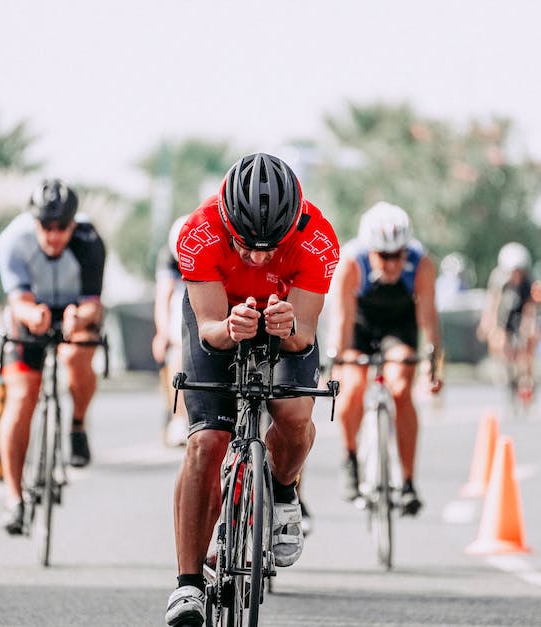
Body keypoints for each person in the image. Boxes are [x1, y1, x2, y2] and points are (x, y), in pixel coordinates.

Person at [164, 153, 339, 627]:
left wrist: (288, 327)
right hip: (223, 320)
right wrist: (229, 325)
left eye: (272, 247)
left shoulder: (318, 239)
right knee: (205, 443)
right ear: (226, 221)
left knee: (294, 414)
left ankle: (284, 493)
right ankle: (188, 586)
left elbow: (303, 334)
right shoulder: (198, 233)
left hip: (284, 321)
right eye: (246, 246)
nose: (260, 257)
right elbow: (209, 331)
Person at [0, 179, 106, 535]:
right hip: (31, 313)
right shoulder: (13, 240)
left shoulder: (89, 241)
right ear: (34, 221)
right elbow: (17, 302)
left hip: (75, 312)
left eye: (62, 227)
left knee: (78, 354)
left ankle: (76, 424)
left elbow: (94, 305)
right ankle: (14, 500)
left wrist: (79, 318)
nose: (54, 235)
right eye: (46, 226)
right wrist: (34, 318)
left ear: (73, 224)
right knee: (22, 396)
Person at [327, 201, 442, 517]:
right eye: (384, 256)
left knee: (402, 388)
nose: (392, 264)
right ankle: (350, 458)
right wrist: (337, 364)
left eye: (398, 255)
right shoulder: (351, 263)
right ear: (369, 250)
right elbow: (342, 319)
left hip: (398, 328)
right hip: (360, 328)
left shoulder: (421, 264)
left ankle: (407, 483)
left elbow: (429, 320)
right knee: (352, 386)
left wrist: (433, 367)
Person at [477, 242, 540, 397]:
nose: (516, 275)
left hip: (521, 313)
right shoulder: (499, 281)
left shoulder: (529, 283)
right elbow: (492, 302)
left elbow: (530, 307)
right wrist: (487, 323)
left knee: (531, 337)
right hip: (505, 315)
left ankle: (527, 376)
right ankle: (507, 370)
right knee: (500, 340)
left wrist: (528, 325)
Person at [152, 216, 189, 447]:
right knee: (177, 351)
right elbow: (163, 297)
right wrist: (163, 334)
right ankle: (178, 418)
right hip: (181, 300)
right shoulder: (168, 258)